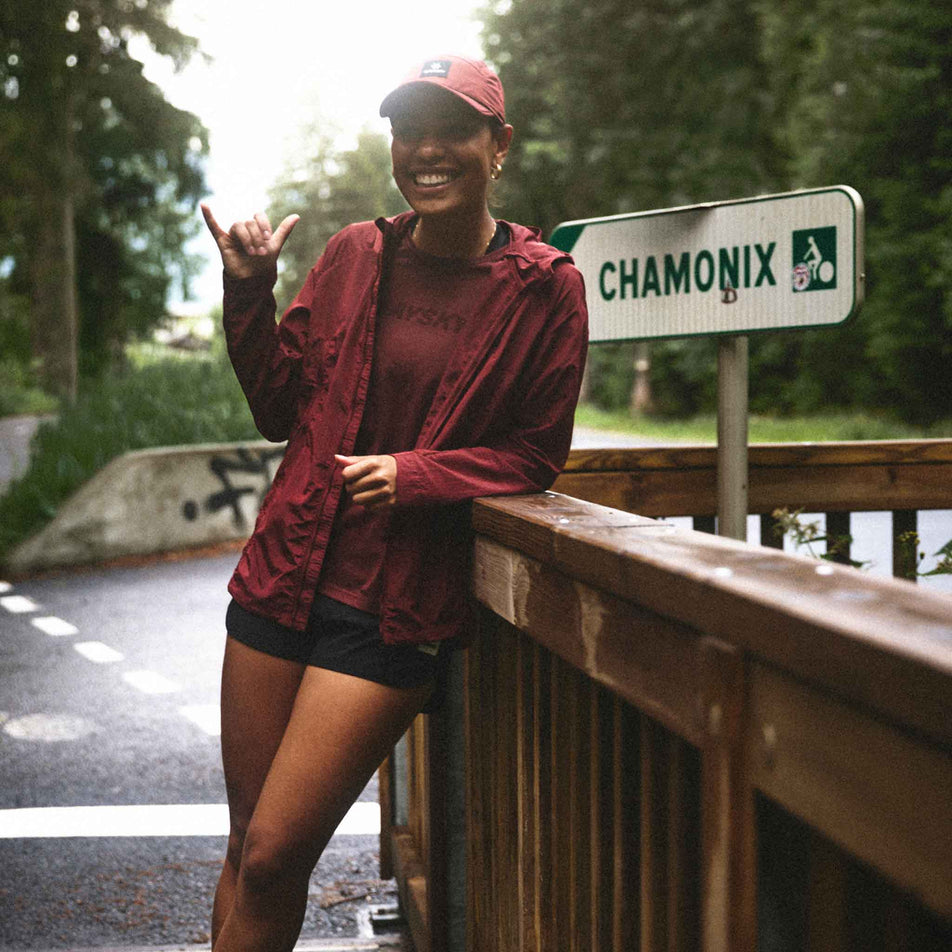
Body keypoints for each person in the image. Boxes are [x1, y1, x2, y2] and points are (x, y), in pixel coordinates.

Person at [200, 54, 588, 951]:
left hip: (390, 611)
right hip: (280, 579)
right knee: (244, 844)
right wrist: (248, 291)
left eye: (452, 130)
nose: (426, 150)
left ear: (499, 146)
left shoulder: (545, 286)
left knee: (274, 853)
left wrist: (419, 474)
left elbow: (537, 454)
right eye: (408, 130)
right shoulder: (352, 255)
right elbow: (275, 408)